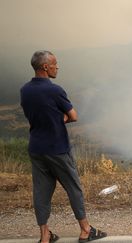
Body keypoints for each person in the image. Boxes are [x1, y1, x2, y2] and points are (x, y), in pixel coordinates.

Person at [20, 51, 107, 243]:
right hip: (57, 148)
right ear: (45, 67)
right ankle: (85, 230)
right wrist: (60, 119)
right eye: (54, 64)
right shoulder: (55, 90)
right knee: (73, 188)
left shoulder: (25, 90)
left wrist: (50, 119)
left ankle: (44, 235)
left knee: (41, 192)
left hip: (36, 148)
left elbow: (33, 116)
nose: (57, 67)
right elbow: (73, 115)